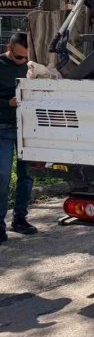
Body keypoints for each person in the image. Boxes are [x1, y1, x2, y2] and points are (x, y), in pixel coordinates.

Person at [0, 32, 35, 243]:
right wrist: (8, 103)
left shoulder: (29, 67)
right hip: (3, 127)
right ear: (9, 48)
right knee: (2, 177)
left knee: (27, 176)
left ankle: (20, 219)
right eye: (18, 57)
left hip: (26, 127)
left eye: (25, 57)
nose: (22, 61)